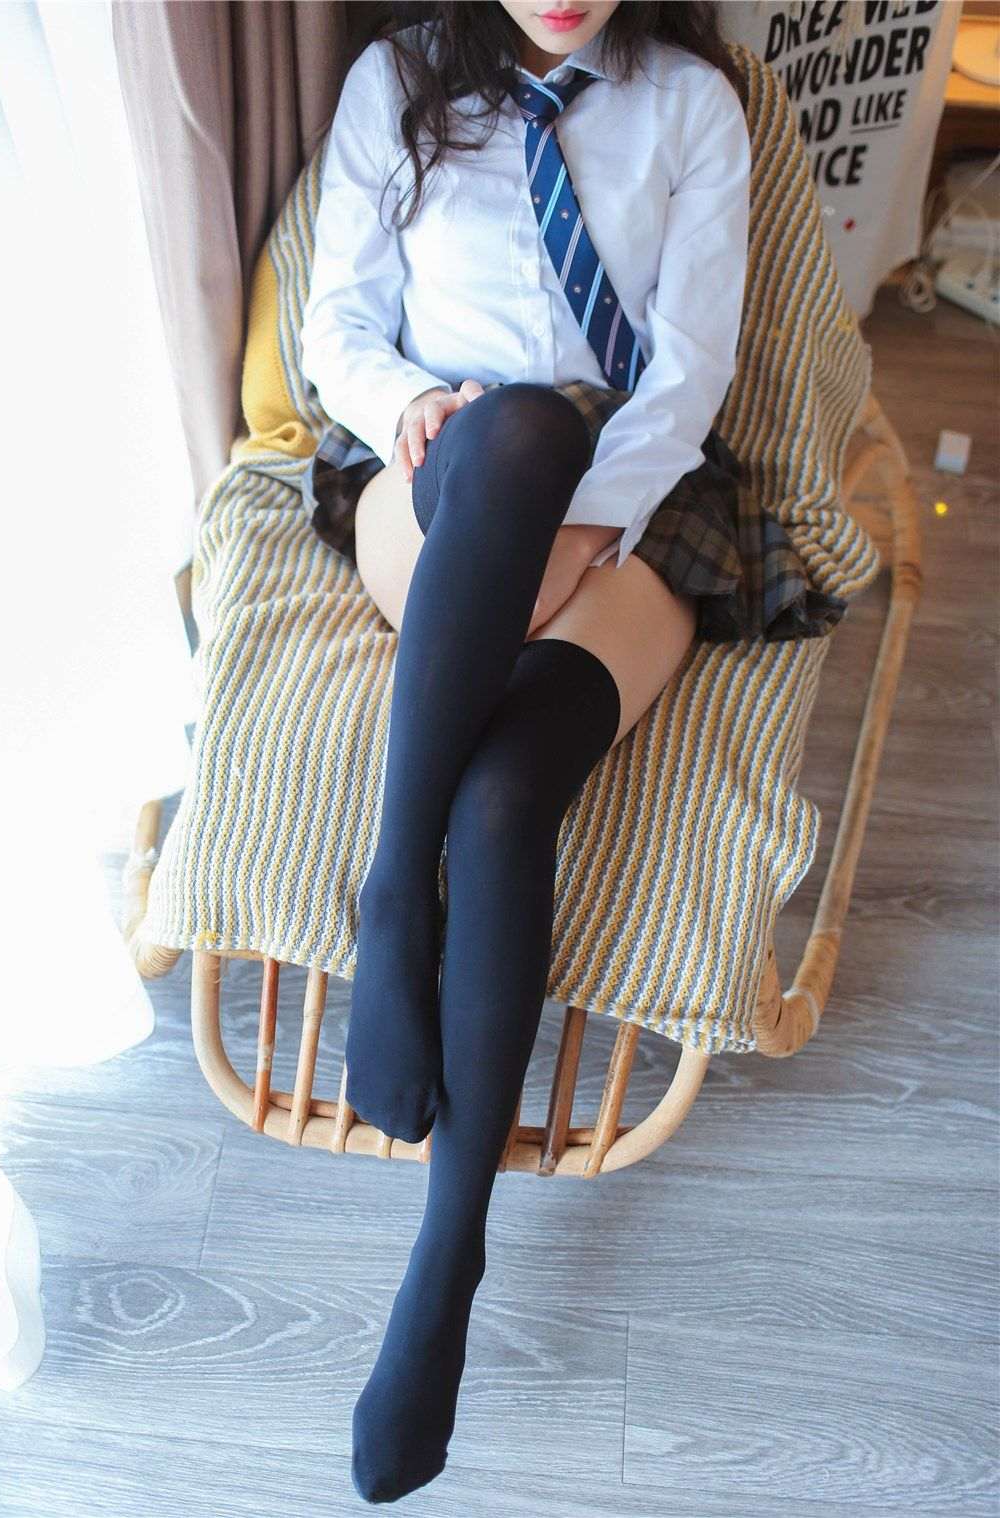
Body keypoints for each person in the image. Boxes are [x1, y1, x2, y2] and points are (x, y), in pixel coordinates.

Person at [300, 0, 757, 1502]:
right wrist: (413, 404)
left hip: (629, 500)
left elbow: (688, 371)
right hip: (431, 482)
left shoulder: (691, 104)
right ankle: (392, 893)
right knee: (507, 433)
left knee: (504, 804)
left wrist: (577, 536)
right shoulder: (398, 78)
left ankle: (449, 1259)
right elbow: (335, 326)